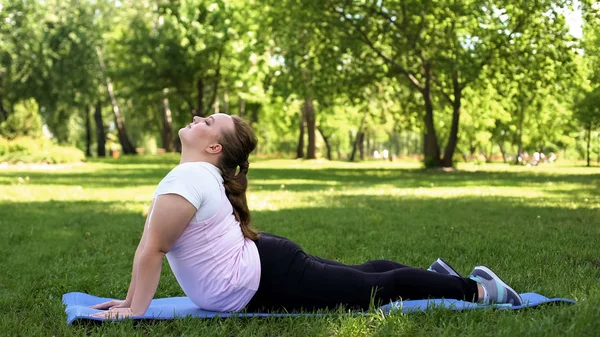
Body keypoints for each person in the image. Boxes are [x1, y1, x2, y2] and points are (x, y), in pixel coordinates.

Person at [90, 114, 522, 318]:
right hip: (263, 267)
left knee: (377, 287)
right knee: (367, 274)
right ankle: (440, 278)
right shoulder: (194, 175)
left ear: (214, 148)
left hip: (267, 275)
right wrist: (129, 304)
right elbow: (151, 248)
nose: (198, 117)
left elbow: (154, 249)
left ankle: (480, 292)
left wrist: (135, 310)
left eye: (208, 120)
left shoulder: (189, 178)